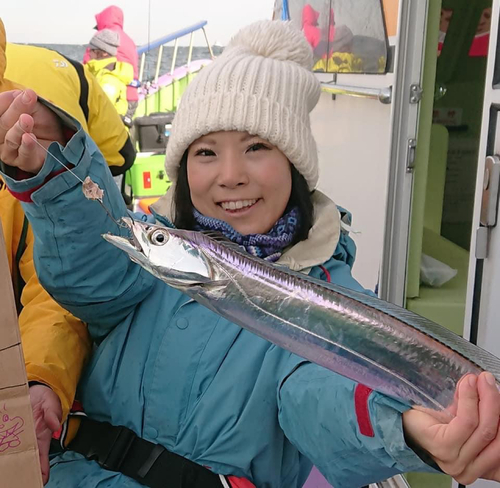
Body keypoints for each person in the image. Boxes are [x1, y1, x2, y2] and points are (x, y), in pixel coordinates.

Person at [1, 20, 500, 488]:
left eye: (257, 146)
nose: (231, 174)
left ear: (295, 164)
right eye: (205, 152)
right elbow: (91, 275)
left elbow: (319, 397)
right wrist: (58, 170)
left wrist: (408, 429)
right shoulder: (154, 254)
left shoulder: (328, 294)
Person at [0, 17, 136, 484]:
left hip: (59, 187)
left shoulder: (19, 120)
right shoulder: (73, 77)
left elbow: (55, 288)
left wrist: (37, 380)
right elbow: (121, 152)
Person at [84, 5, 139, 122]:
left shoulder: (101, 39)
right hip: (130, 95)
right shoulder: (128, 39)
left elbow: (87, 66)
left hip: (110, 92)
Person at [87, 29, 134, 120]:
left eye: (92, 50)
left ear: (103, 53)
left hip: (107, 132)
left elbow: (100, 112)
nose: (89, 54)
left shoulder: (108, 80)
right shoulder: (100, 73)